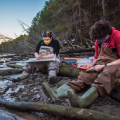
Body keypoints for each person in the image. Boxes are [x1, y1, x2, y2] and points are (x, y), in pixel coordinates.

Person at [42, 20, 120, 108]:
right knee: (85, 76)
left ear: (107, 33)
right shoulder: (98, 40)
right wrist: (92, 65)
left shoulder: (117, 36)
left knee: (106, 76)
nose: (100, 40)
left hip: (115, 66)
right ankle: (57, 93)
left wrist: (104, 66)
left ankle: (83, 101)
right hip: (101, 64)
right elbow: (96, 57)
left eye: (101, 38)